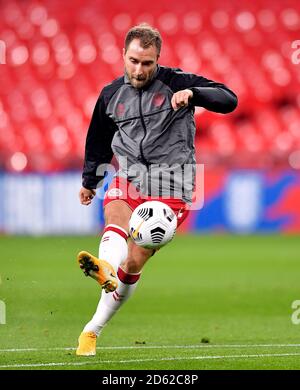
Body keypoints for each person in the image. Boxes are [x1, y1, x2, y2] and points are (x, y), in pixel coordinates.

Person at [76, 23, 238, 356]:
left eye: (147, 63)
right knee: (116, 214)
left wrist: (195, 95)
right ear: (123, 55)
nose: (139, 69)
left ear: (157, 59)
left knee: (133, 262)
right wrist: (90, 180)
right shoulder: (110, 95)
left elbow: (229, 100)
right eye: (134, 61)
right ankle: (104, 269)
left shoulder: (177, 82)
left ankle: (93, 328)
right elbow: (98, 137)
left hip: (172, 185)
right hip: (131, 175)